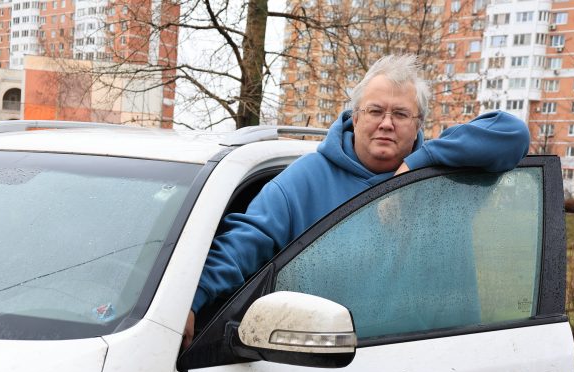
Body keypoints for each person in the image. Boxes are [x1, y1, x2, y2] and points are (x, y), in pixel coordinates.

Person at [183, 54, 531, 347]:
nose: (386, 124)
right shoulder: (302, 181)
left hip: (437, 362)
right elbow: (242, 244)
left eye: (400, 114)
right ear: (356, 116)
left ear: (418, 123)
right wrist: (191, 301)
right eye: (376, 111)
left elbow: (512, 134)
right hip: (329, 362)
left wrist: (415, 167)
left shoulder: (443, 179)